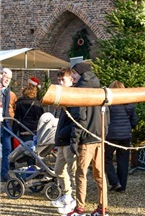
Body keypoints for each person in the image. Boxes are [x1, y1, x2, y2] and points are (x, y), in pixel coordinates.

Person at [66, 61, 109, 216]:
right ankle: (103, 207)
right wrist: (103, 133)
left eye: (74, 74)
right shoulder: (100, 89)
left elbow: (80, 119)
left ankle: (80, 209)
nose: (72, 77)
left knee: (81, 174)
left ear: (81, 73)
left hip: (86, 140)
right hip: (99, 138)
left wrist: (74, 140)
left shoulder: (81, 91)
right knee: (99, 174)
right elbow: (107, 115)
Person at [50, 68, 77, 215]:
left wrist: (62, 133)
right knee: (59, 170)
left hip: (69, 141)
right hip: (61, 140)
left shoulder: (73, 96)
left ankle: (75, 203)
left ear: (71, 80)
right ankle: (67, 195)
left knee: (73, 172)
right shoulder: (63, 95)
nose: (60, 82)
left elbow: (75, 121)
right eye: (59, 80)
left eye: (63, 80)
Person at [105, 80, 138, 193]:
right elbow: (134, 121)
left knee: (105, 159)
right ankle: (122, 186)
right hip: (125, 136)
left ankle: (115, 182)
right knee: (123, 161)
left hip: (111, 135)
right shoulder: (129, 104)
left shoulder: (109, 104)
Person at [1, 68, 13, 182]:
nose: (7, 80)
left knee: (7, 148)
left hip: (4, 123)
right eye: (6, 77)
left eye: (9, 79)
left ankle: (4, 173)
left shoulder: (7, 91)